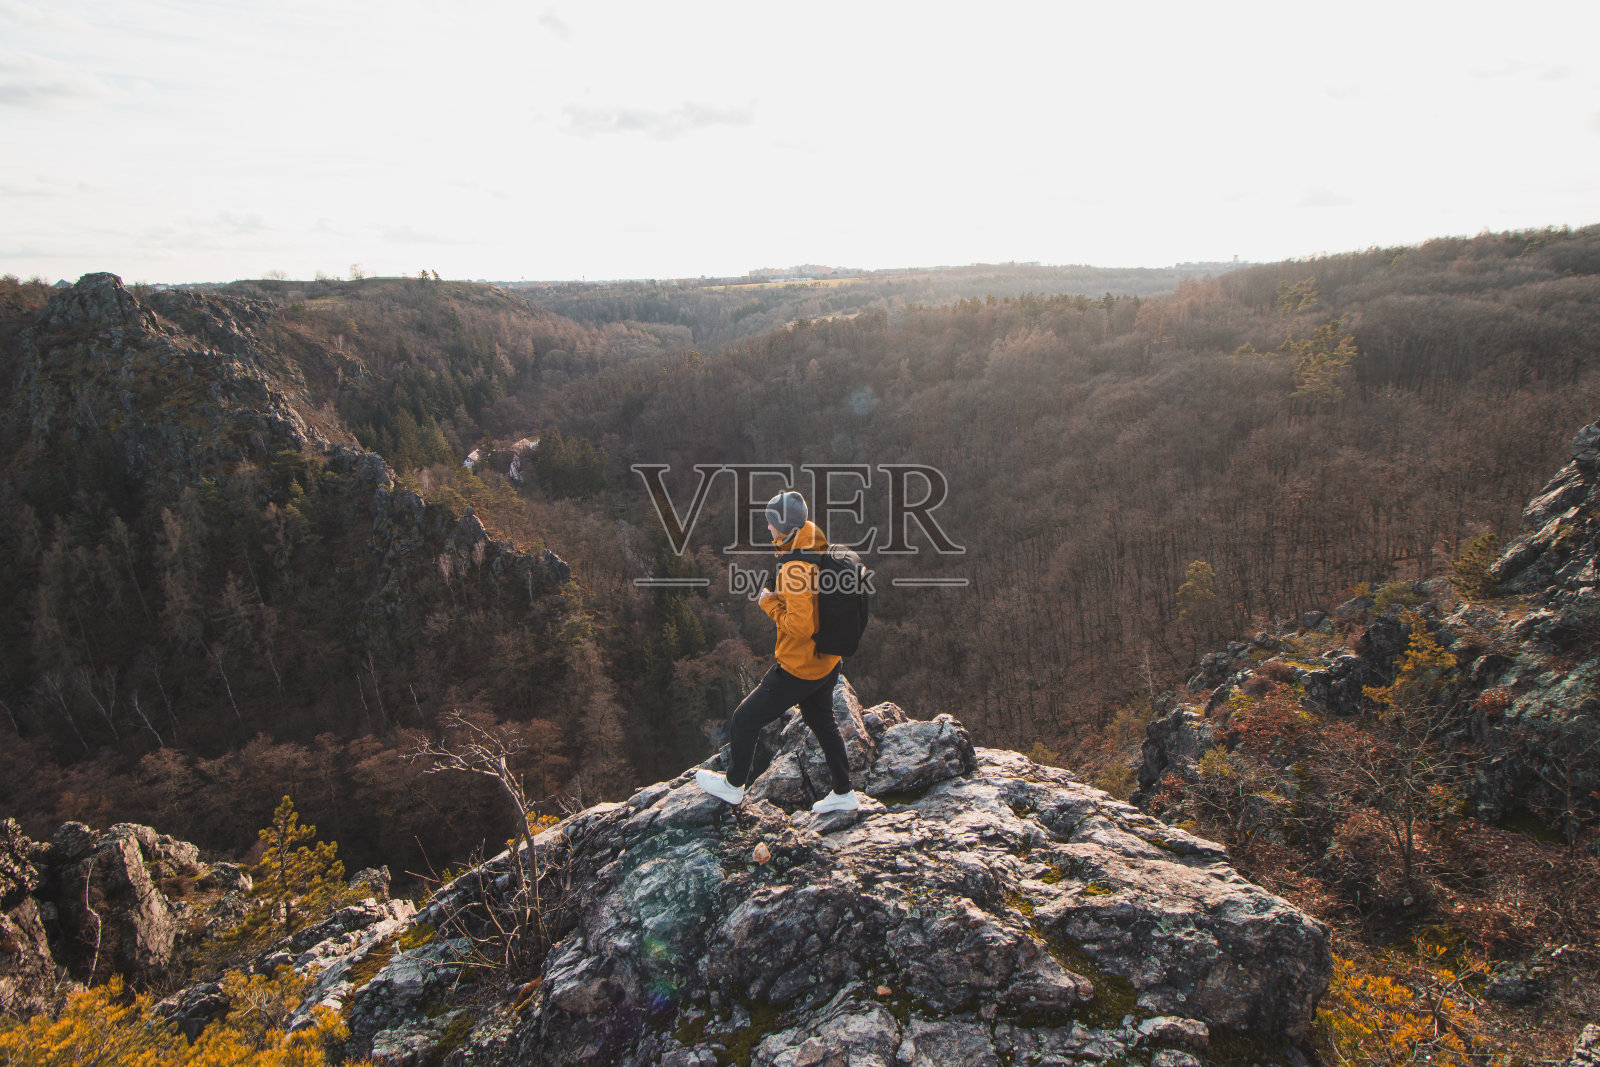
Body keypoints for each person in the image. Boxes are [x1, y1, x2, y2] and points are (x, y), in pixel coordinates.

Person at [696, 490, 860, 813]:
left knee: (744, 719)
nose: (768, 529)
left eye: (771, 523)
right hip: (826, 663)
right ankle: (844, 792)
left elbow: (801, 626)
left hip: (799, 668)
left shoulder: (795, 568)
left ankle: (732, 787)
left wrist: (769, 604)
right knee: (823, 723)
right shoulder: (815, 542)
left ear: (785, 528)